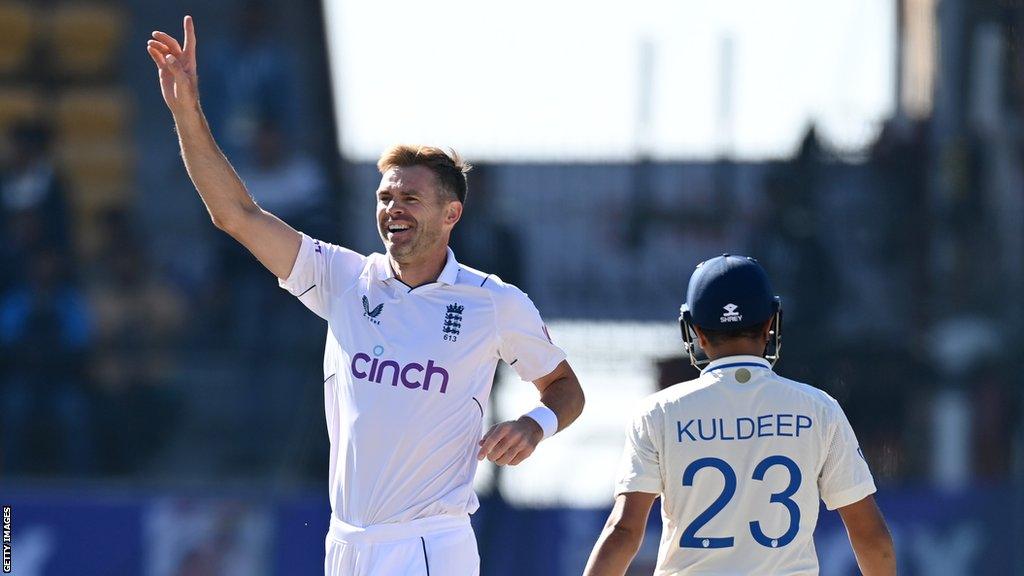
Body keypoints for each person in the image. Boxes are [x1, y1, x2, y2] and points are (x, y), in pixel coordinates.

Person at [145, 16, 584, 576]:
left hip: (428, 544)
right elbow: (235, 215)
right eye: (384, 196)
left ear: (452, 214)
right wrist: (187, 110)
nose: (393, 208)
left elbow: (566, 388)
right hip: (346, 543)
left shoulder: (493, 302)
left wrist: (534, 424)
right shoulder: (345, 279)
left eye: (410, 197)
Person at [583, 255, 895, 575]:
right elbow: (870, 535)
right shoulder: (818, 409)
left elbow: (623, 532)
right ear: (770, 324)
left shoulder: (658, 413)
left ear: (697, 332)